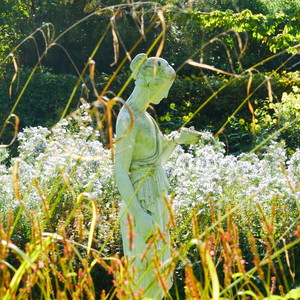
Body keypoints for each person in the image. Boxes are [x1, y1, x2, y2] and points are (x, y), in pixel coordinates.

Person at [115, 53, 200, 299]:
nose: (165, 95)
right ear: (152, 84)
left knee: (158, 274)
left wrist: (178, 140)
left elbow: (156, 162)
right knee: (142, 276)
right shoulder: (128, 118)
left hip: (156, 200)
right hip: (139, 204)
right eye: (165, 88)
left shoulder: (146, 117)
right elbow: (120, 171)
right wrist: (139, 216)